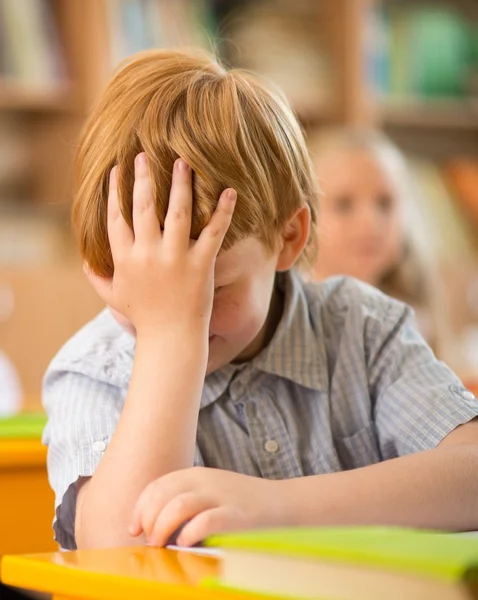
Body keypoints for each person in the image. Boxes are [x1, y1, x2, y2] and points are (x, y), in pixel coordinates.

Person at [43, 49, 478, 552]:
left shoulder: (359, 326)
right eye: (137, 294)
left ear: (288, 237)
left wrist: (279, 507)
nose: (172, 313)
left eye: (210, 289)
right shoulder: (95, 370)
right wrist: (168, 340)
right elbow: (119, 553)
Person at [307, 127, 447, 353]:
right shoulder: (293, 318)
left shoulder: (412, 317)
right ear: (300, 218)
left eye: (385, 203)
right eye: (344, 204)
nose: (370, 221)